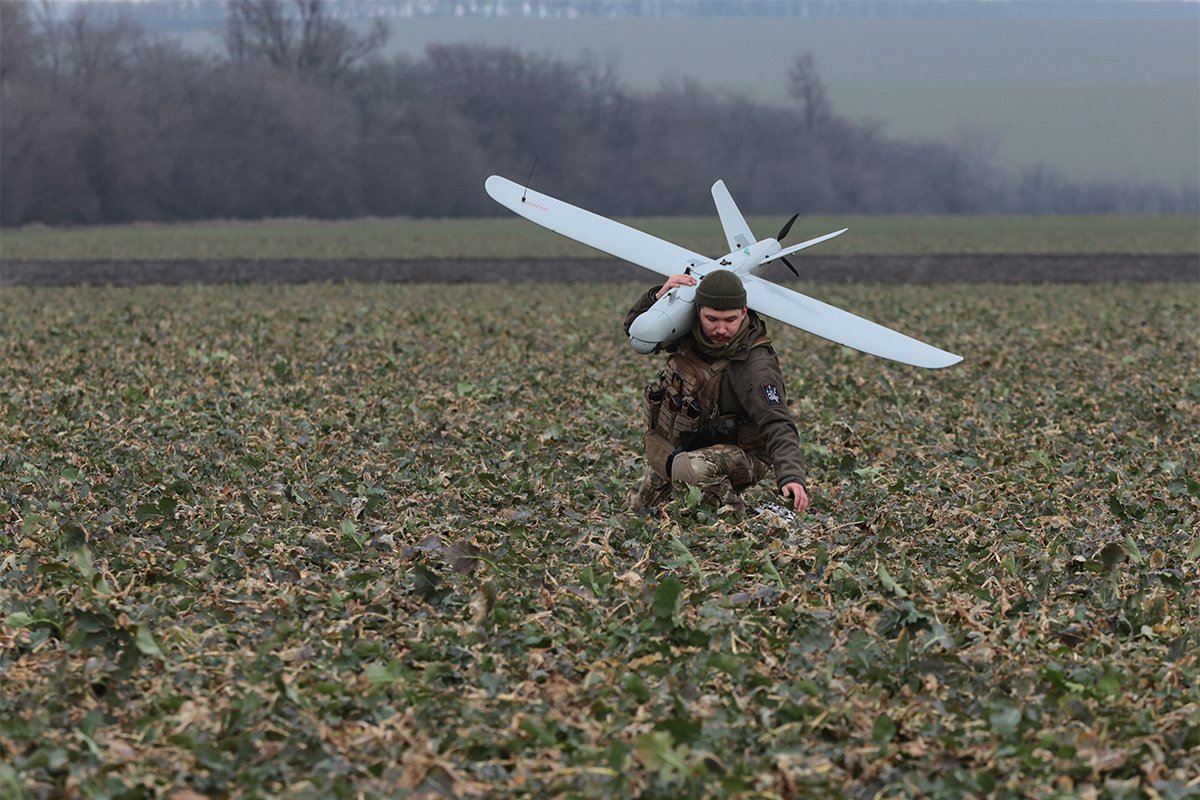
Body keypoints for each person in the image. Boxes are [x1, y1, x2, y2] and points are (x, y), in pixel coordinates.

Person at [624, 269, 810, 516]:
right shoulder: (688, 334)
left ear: (743, 312)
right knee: (641, 513)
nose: (721, 329)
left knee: (688, 469)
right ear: (697, 311)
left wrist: (791, 476)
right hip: (690, 444)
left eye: (730, 320)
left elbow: (777, 423)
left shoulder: (755, 368)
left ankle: (743, 517)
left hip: (744, 454)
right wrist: (657, 298)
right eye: (712, 319)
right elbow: (636, 332)